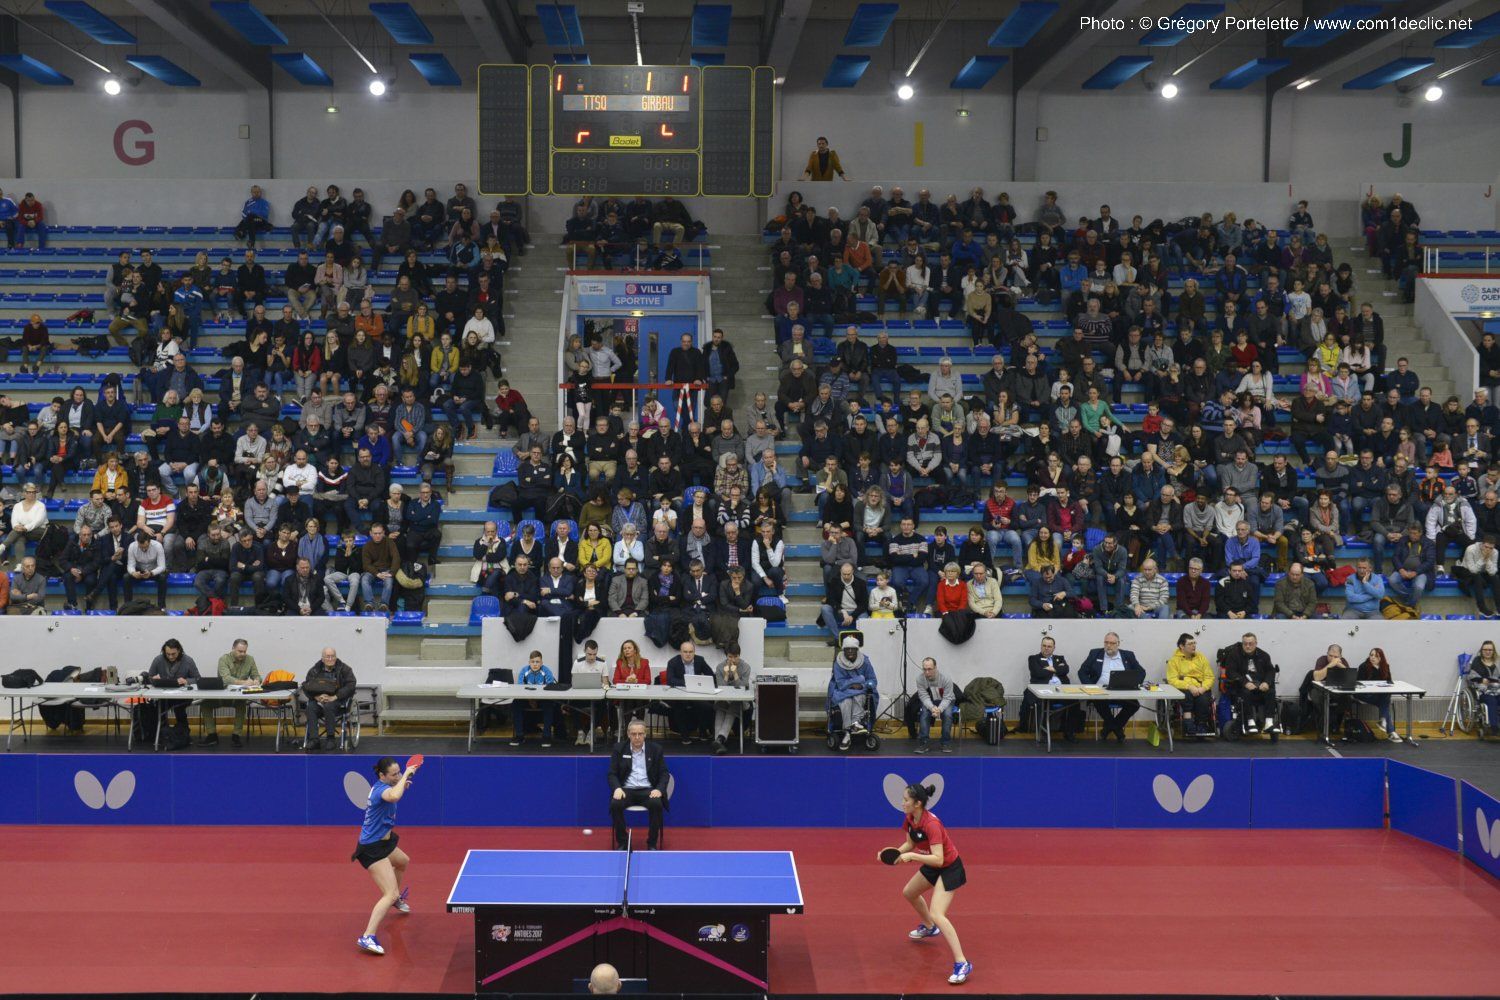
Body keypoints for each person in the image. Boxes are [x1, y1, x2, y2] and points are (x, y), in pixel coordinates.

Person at [883, 781, 971, 986]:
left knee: (937, 913)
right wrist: (894, 854)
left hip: (949, 867)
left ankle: (962, 963)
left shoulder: (931, 824)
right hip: (933, 864)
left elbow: (939, 859)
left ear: (918, 803)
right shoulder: (910, 818)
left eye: (906, 800)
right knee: (909, 892)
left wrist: (913, 856)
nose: (902, 803)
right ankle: (930, 927)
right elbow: (910, 843)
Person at [353, 754, 421, 955]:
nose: (397, 776)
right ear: (382, 776)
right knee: (389, 893)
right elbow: (393, 797)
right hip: (371, 848)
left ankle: (395, 898)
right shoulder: (380, 791)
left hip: (384, 843)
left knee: (402, 861)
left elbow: (395, 792)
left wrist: (401, 782)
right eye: (393, 774)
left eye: (399, 772)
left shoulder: (388, 786)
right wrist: (406, 774)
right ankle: (367, 936)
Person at [608, 719, 669, 851]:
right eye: (633, 734)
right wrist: (617, 788)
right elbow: (612, 774)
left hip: (648, 790)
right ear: (628, 734)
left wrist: (659, 789)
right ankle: (623, 842)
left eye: (640, 734)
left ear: (645, 734)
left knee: (656, 803)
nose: (637, 737)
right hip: (626, 790)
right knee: (615, 804)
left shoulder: (656, 749)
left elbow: (664, 774)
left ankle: (652, 843)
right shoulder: (619, 748)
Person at [1079, 632, 1144, 741]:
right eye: (1106, 642)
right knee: (1099, 702)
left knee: (1134, 705)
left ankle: (1109, 728)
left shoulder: (1128, 655)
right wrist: (1091, 687)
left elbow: (1141, 672)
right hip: (1100, 693)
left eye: (1112, 643)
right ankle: (1117, 729)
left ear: (1118, 644)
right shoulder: (1095, 654)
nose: (1108, 645)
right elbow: (1082, 672)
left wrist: (1134, 684)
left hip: (1123, 692)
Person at [201, 637, 261, 747]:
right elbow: (225, 679)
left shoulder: (250, 659)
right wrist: (244, 682)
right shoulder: (223, 659)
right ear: (233, 648)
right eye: (240, 651)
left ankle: (236, 736)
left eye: (244, 651)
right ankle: (212, 735)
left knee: (241, 704)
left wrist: (257, 680)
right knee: (205, 704)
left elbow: (256, 675)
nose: (243, 654)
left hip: (238, 697)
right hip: (222, 696)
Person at [143, 638, 200, 750]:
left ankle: (183, 735)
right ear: (164, 651)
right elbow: (149, 677)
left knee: (179, 709)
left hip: (182, 696)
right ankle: (163, 734)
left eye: (173, 654)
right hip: (163, 695)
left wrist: (186, 681)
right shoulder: (158, 659)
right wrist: (153, 678)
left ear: (179, 651)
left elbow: (198, 678)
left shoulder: (188, 660)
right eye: (168, 654)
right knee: (157, 708)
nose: (170, 656)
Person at [1221, 632, 1278, 734]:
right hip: (1242, 687)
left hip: (1260, 686)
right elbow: (1230, 672)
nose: (1247, 646)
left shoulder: (1264, 655)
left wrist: (1266, 682)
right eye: (1245, 644)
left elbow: (1270, 671)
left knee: (1271, 692)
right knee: (1245, 692)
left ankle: (1269, 723)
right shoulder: (1234, 655)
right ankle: (1250, 721)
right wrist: (1245, 683)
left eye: (1250, 644)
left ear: (1256, 643)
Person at [828, 633, 878, 750]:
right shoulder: (838, 663)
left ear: (857, 650)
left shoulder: (865, 661)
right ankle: (848, 731)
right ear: (844, 650)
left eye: (853, 649)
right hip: (842, 692)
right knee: (846, 701)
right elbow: (840, 683)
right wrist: (859, 679)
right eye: (847, 649)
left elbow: (872, 680)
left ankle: (854, 725)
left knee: (859, 697)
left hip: (859, 691)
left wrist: (863, 684)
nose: (850, 651)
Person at [303, 646, 356, 752]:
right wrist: (316, 697)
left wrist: (335, 697)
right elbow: (306, 685)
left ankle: (331, 738)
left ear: (336, 657)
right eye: (328, 656)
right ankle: (314, 740)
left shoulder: (345, 669)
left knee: (329, 706)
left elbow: (351, 685)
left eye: (333, 656)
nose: (330, 659)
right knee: (310, 708)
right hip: (319, 700)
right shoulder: (315, 670)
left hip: (338, 702)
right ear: (322, 658)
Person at [1166, 633, 1216, 737]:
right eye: (1190, 644)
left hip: (1200, 687)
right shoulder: (1174, 660)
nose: (1194, 646)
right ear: (1181, 646)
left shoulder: (1201, 657)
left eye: (1194, 643)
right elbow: (1172, 680)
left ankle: (1201, 724)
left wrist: (1203, 688)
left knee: (1203, 699)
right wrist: (1189, 686)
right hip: (1184, 687)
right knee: (1186, 696)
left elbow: (1209, 676)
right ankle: (1188, 722)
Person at [508, 650, 559, 748]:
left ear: (541, 663)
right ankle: (519, 735)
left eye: (537, 662)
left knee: (549, 704)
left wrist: (537, 699)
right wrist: (530, 699)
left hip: (543, 699)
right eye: (532, 662)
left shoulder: (547, 671)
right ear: (529, 662)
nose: (535, 664)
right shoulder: (524, 671)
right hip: (527, 699)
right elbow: (520, 688)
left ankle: (546, 736)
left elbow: (550, 688)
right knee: (515, 703)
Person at [712, 641, 752, 755]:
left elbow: (743, 687)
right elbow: (721, 688)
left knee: (735, 704)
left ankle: (719, 739)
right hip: (724, 699)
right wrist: (726, 675)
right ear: (726, 656)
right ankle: (719, 741)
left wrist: (735, 674)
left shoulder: (745, 667)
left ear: (739, 655)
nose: (733, 660)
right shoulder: (720, 667)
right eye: (730, 657)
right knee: (720, 705)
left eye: (736, 657)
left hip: (740, 701)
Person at [1356, 647, 1402, 742]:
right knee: (1385, 701)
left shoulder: (1385, 666)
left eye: (1376, 656)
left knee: (1385, 696)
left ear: (1381, 658)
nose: (1373, 657)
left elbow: (1389, 682)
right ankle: (1389, 729)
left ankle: (1385, 723)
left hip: (1379, 696)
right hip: (1364, 695)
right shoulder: (1363, 666)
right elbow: (1359, 683)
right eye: (1371, 655)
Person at [912, 657, 956, 754]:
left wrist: (939, 709)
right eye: (924, 669)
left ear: (935, 668)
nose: (927, 672)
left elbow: (947, 697)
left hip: (947, 699)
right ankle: (924, 743)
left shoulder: (946, 678)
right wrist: (932, 708)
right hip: (930, 700)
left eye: (929, 669)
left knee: (947, 714)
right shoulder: (920, 679)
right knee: (924, 714)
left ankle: (945, 742)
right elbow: (923, 696)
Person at [1469, 640, 1500, 735]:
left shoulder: (1498, 662)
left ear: (1493, 651)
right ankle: (1494, 727)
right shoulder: (1477, 661)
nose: (1487, 652)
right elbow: (1471, 676)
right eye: (1485, 649)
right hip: (1483, 691)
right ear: (1481, 651)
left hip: (1498, 690)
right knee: (1492, 701)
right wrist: (1481, 679)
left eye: (1490, 650)